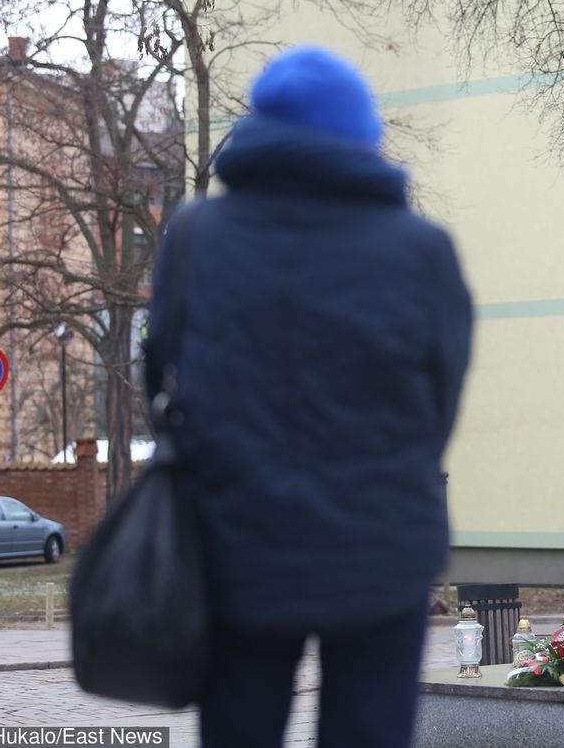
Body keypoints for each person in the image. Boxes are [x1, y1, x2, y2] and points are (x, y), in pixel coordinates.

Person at [144, 47, 472, 748]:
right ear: (361, 134)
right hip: (381, 547)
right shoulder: (422, 250)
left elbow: (159, 376)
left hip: (233, 544)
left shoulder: (195, 236)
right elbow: (438, 403)